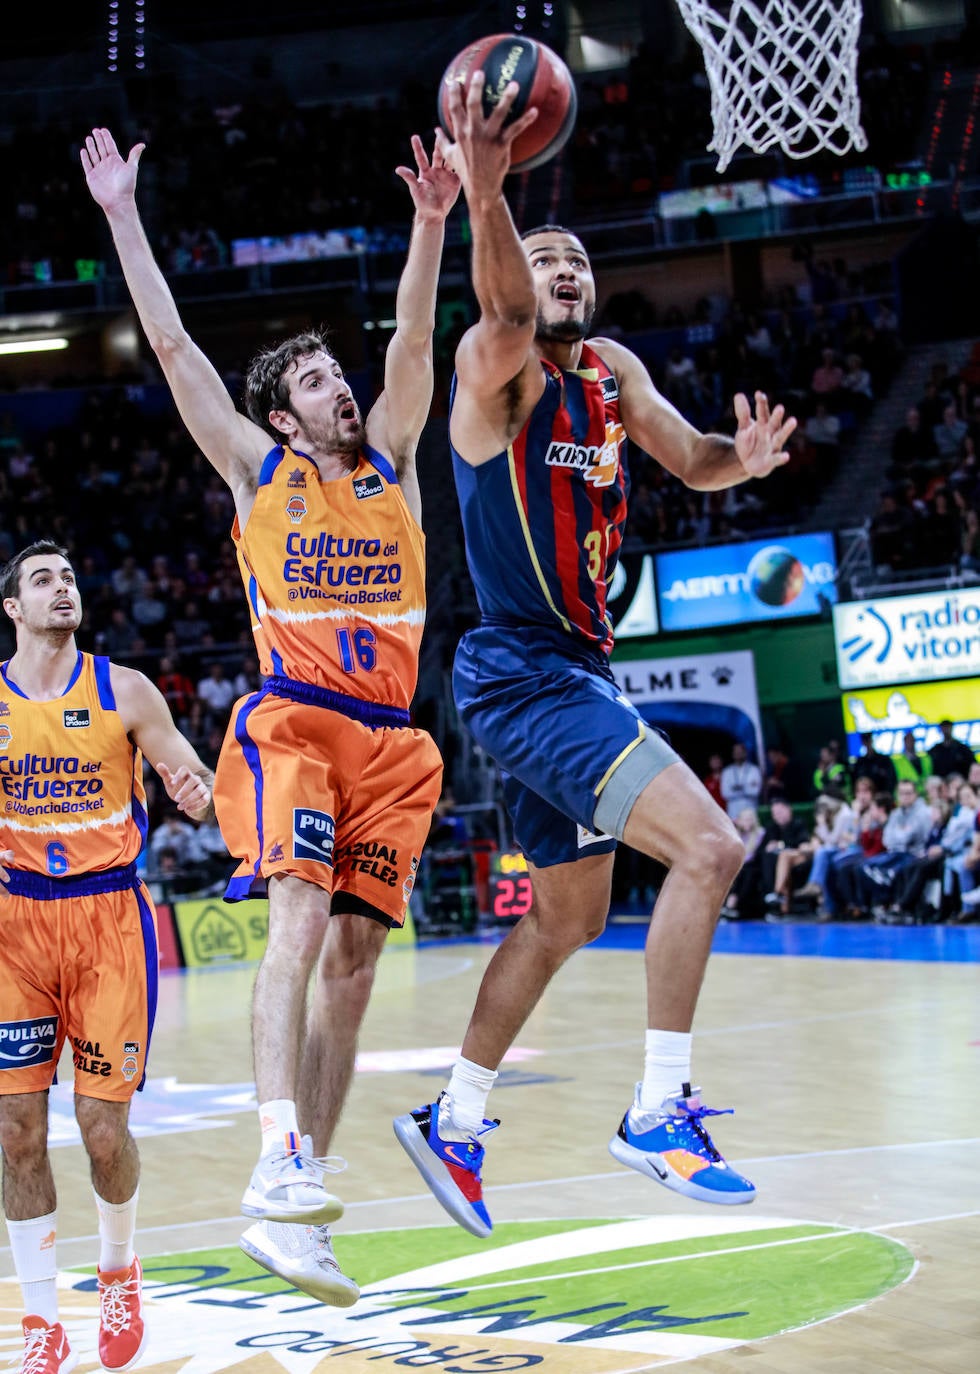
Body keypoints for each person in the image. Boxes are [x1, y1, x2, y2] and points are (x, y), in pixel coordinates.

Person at [392, 74, 797, 1235]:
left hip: (572, 674)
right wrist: (487, 192)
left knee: (565, 920)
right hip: (522, 669)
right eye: (544, 256)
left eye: (577, 263)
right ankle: (657, 1113)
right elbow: (505, 307)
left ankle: (453, 1120)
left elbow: (695, 459)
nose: (561, 273)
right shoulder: (498, 373)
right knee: (710, 848)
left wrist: (747, 458)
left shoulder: (610, 376)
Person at [82, 125, 458, 1301]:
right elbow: (171, 341)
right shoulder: (258, 472)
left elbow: (409, 339)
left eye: (334, 374)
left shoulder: (391, 457)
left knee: (352, 966)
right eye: (311, 381)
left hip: (395, 742)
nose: (336, 384)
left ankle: (303, 1207)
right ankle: (273, 1156)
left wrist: (434, 219)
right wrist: (121, 217)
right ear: (280, 417)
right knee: (295, 925)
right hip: (293, 722)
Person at [0, 540, 214, 1374]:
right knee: (16, 1131)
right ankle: (42, 1317)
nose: (63, 589)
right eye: (42, 581)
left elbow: (184, 775)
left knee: (100, 1129)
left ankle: (119, 1272)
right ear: (12, 608)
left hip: (108, 920)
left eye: (69, 578)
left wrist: (192, 786)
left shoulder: (124, 689)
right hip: (16, 924)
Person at [719, 740, 763, 820]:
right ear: (732, 754)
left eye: (740, 751)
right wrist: (746, 788)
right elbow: (725, 793)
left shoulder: (754, 770)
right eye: (736, 752)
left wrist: (736, 788)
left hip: (750, 809)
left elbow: (755, 791)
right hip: (733, 812)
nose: (738, 754)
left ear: (745, 753)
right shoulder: (727, 772)